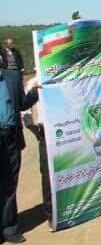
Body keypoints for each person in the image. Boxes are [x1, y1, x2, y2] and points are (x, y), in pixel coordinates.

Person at [0, 68, 38, 244]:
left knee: (10, 184)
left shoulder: (12, 77)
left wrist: (35, 92)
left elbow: (22, 104)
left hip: (11, 138)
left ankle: (9, 228)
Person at [21, 76, 51, 218]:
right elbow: (25, 112)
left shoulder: (66, 75)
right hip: (46, 132)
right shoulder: (33, 83)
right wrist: (35, 130)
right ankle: (51, 211)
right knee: (48, 173)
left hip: (68, 131)